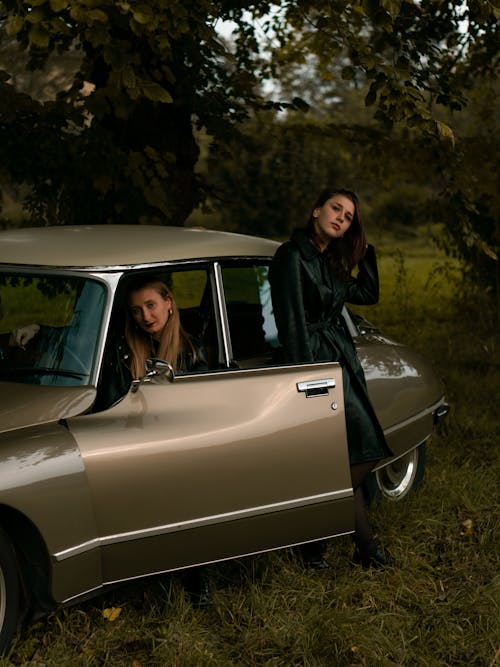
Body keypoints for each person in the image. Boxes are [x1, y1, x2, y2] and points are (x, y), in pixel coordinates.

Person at [269, 187, 394, 569]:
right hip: (316, 364)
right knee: (357, 453)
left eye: (349, 217)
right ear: (315, 209)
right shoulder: (291, 256)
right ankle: (339, 544)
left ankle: (352, 547)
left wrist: (363, 248)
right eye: (335, 209)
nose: (341, 218)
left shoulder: (331, 259)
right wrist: (306, 380)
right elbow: (291, 324)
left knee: (353, 455)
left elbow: (368, 292)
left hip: (341, 358)